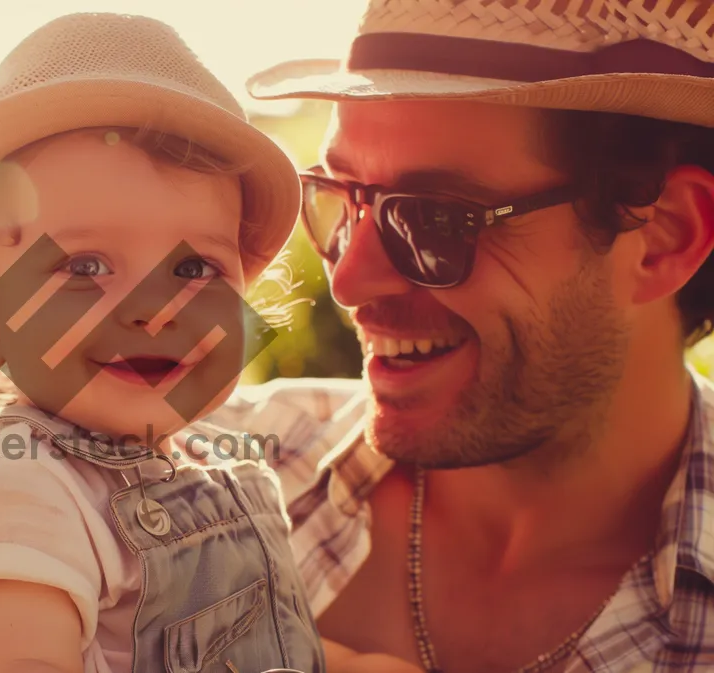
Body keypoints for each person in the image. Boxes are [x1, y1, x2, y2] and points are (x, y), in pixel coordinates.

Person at [192, 1, 714, 671]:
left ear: (666, 236)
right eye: (342, 199)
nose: (350, 281)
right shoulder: (188, 474)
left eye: (437, 220)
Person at [0, 12, 371, 673]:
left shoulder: (220, 463)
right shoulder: (23, 494)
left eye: (194, 268)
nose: (153, 311)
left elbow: (275, 639)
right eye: (85, 266)